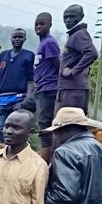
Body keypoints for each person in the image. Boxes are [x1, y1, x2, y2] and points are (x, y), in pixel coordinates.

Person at [0, 28, 35, 142]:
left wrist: (27, 100)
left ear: (24, 39)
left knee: (17, 129)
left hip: (19, 99)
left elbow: (30, 80)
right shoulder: (2, 56)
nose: (17, 39)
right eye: (15, 37)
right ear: (11, 39)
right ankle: (2, 151)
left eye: (20, 37)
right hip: (3, 100)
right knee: (1, 129)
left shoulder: (29, 56)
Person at [28, 12, 62, 161]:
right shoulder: (42, 43)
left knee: (45, 126)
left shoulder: (49, 43)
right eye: (36, 24)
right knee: (23, 108)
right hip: (40, 88)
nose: (38, 27)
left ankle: (44, 162)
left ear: (50, 25)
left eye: (42, 24)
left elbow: (58, 65)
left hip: (49, 89)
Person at [57, 5, 98, 113]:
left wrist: (73, 71)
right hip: (69, 87)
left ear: (81, 17)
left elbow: (92, 53)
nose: (68, 20)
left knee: (68, 119)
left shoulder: (80, 34)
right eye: (65, 17)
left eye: (72, 16)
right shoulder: (74, 35)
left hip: (73, 89)